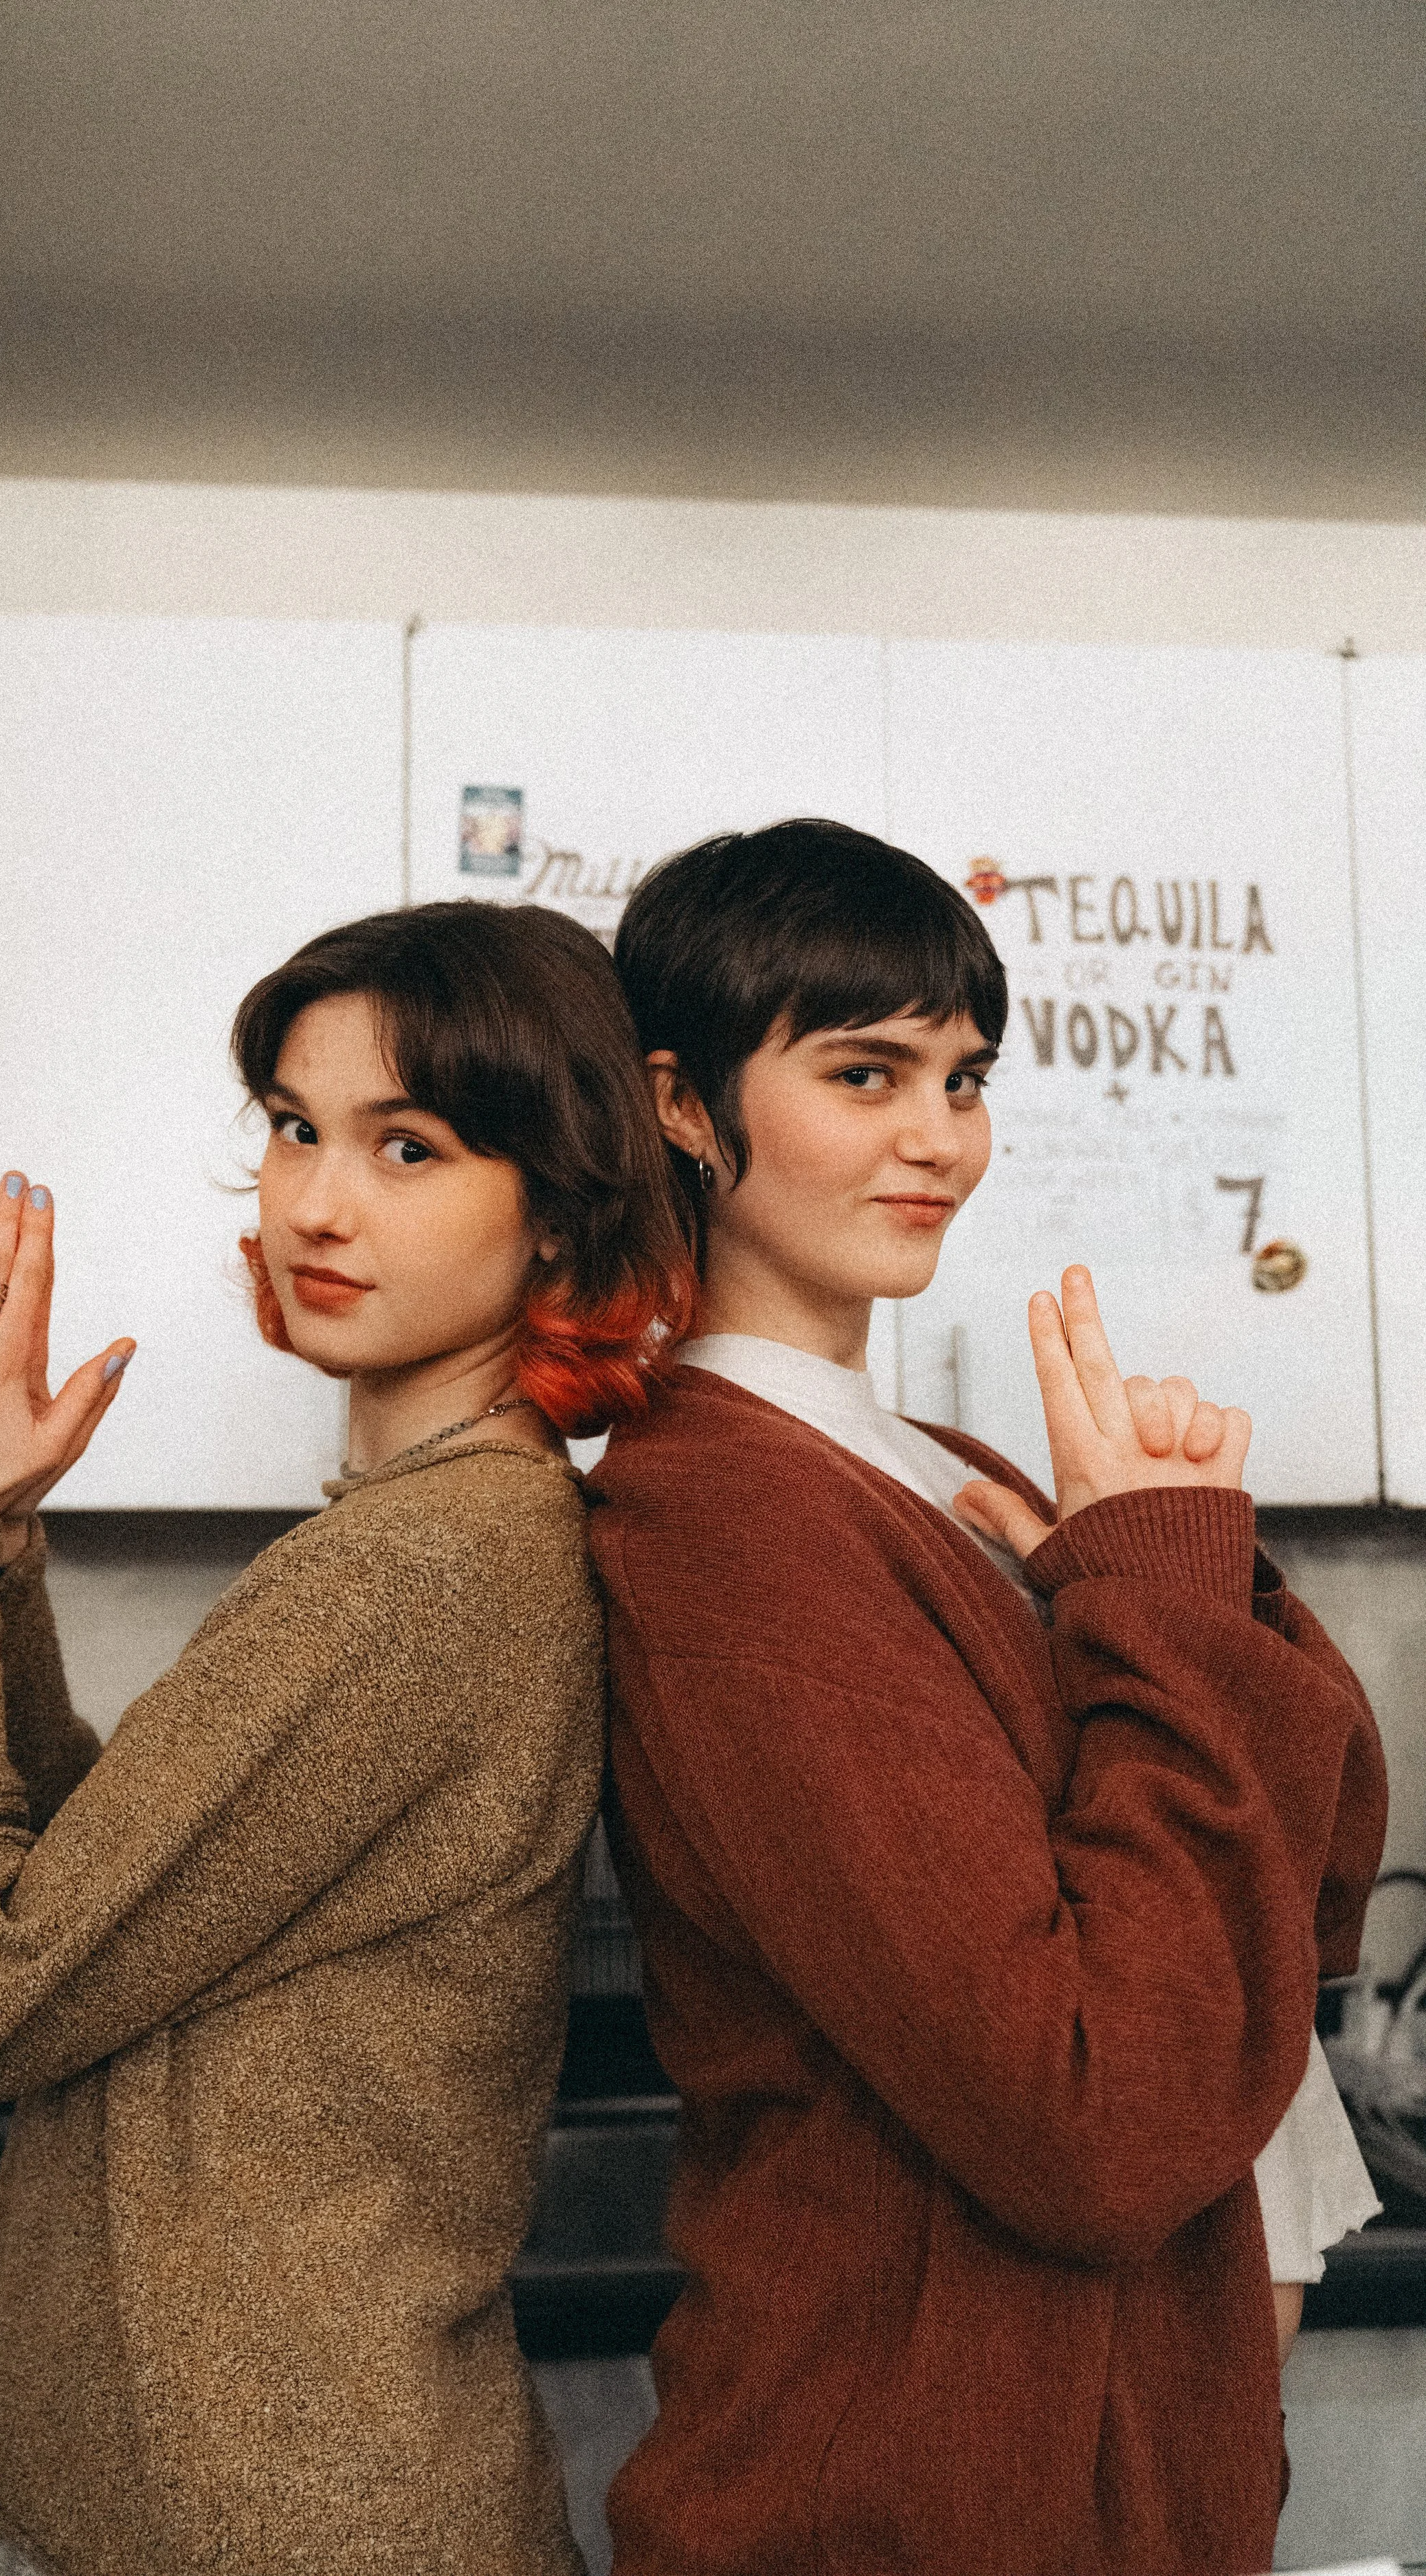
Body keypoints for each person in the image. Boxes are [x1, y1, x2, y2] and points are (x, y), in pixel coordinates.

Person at [0, 902, 695, 2576]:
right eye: (295, 1125)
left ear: (560, 1221)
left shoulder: (409, 1570)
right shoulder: (439, 1529)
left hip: (270, 2522)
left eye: (408, 1145)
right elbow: (116, 1915)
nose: (311, 1198)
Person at [588, 821, 1386, 2576]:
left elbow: (1304, 1891)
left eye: (962, 1075)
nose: (939, 1136)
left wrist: (1179, 1580)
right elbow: (1087, 2117)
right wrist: (1147, 1597)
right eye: (862, 1071)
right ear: (680, 1099)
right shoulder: (722, 1512)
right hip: (909, 2502)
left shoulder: (917, 1462)